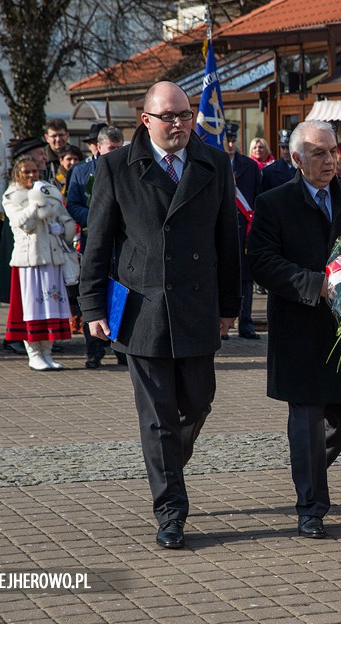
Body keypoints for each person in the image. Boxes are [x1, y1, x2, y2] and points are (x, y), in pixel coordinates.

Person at [78, 81, 242, 550]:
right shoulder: (116, 168)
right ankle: (171, 512)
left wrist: (230, 306)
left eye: (185, 115)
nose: (178, 124)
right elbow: (99, 242)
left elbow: (227, 241)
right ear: (145, 120)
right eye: (168, 116)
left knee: (198, 402)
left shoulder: (214, 163)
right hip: (143, 309)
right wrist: (92, 306)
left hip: (197, 307)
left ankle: (167, 459)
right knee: (157, 419)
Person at [247, 120, 341, 540]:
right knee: (305, 418)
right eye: (318, 153)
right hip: (299, 328)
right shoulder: (274, 203)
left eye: (333, 151)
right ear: (296, 159)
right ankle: (311, 507)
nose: (330, 160)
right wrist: (312, 283)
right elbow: (261, 261)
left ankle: (310, 467)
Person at [2, 156, 77, 370]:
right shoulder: (12, 196)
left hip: (52, 258)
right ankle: (33, 353)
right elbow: (21, 223)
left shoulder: (49, 190)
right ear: (17, 173)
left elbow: (65, 217)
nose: (31, 175)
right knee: (32, 308)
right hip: (29, 260)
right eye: (26, 172)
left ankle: (47, 352)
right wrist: (36, 203)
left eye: (34, 171)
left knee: (51, 306)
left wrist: (62, 229)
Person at [66, 125, 126, 369]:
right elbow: (73, 204)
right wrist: (97, 219)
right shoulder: (81, 172)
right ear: (98, 147)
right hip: (93, 240)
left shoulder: (128, 168)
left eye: (119, 148)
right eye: (111, 149)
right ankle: (94, 350)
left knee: (120, 293)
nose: (115, 153)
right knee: (93, 292)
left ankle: (121, 348)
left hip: (121, 243)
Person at [225, 123, 264, 340]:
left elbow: (258, 196)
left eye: (233, 140)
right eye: (227, 140)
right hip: (223, 229)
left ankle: (246, 323)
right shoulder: (214, 162)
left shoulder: (249, 166)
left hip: (246, 230)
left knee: (246, 280)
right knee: (224, 277)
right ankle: (223, 325)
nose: (230, 144)